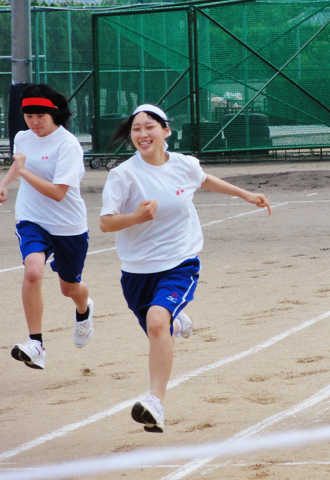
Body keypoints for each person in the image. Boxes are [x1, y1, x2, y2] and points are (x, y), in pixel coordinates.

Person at [99, 104, 271, 432]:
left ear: (166, 130)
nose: (142, 134)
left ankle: (155, 402)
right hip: (136, 271)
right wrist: (135, 217)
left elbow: (205, 180)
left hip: (180, 262)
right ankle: (178, 324)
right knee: (159, 328)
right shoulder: (122, 175)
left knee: (155, 322)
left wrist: (246, 194)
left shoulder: (183, 165)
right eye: (136, 128)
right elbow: (106, 224)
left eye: (149, 127)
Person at [0, 84, 93, 370]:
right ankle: (36, 344)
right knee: (32, 271)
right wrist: (4, 184)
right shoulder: (22, 137)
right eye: (28, 115)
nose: (34, 122)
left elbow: (57, 192)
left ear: (53, 113)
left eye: (40, 115)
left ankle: (84, 308)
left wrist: (24, 171)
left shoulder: (68, 145)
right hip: (32, 218)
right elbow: (19, 164)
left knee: (70, 288)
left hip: (68, 225)